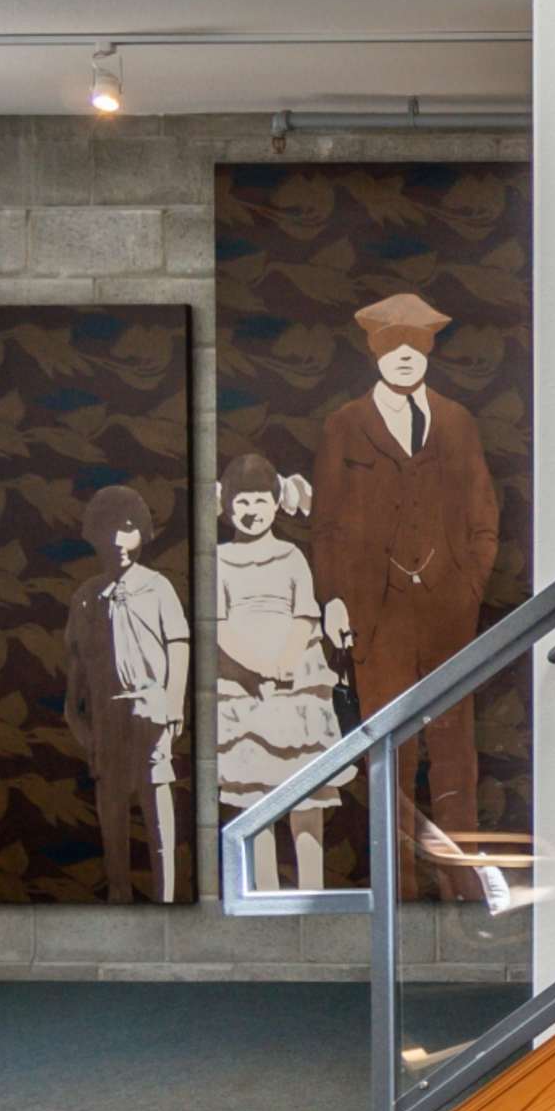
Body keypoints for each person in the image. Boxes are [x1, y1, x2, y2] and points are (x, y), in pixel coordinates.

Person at [300, 292, 502, 893]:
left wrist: (469, 583)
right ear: (375, 354)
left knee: (453, 746)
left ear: (430, 353)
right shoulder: (345, 424)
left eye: (417, 346)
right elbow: (328, 522)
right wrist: (335, 599)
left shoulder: (456, 421)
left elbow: (482, 510)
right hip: (374, 612)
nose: (406, 357)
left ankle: (461, 882)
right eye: (394, 347)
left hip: (447, 610)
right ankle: (400, 885)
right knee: (391, 747)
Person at [209, 452, 346, 891]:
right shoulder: (219, 559)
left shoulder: (290, 556)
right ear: (227, 507)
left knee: (306, 797)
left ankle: (312, 893)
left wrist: (285, 661)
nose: (251, 512)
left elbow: (306, 613)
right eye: (242, 503)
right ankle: (265, 894)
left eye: (260, 501)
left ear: (276, 502)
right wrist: (256, 665)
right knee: (257, 797)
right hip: (243, 690)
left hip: (296, 689)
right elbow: (219, 624)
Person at [60, 484, 190, 902]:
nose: (117, 540)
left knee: (157, 811)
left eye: (128, 528)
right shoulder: (84, 598)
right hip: (106, 719)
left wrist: (172, 704)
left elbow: (179, 644)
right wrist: (77, 720)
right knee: (112, 816)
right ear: (92, 534)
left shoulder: (158, 588)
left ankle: (167, 896)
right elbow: (77, 665)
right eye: (107, 529)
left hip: (150, 711)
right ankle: (120, 896)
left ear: (143, 533)